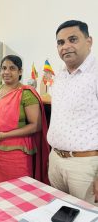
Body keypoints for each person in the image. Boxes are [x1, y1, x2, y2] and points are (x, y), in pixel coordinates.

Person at [47, 20, 98, 205]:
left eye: (73, 39)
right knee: (58, 213)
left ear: (89, 41)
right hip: (56, 160)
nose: (66, 46)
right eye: (60, 42)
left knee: (88, 216)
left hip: (86, 165)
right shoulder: (60, 76)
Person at [0, 55, 50, 184]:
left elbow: (36, 125)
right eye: (3, 68)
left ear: (20, 71)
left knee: (20, 190)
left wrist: (5, 135)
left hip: (18, 153)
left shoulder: (26, 93)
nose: (6, 72)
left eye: (12, 68)